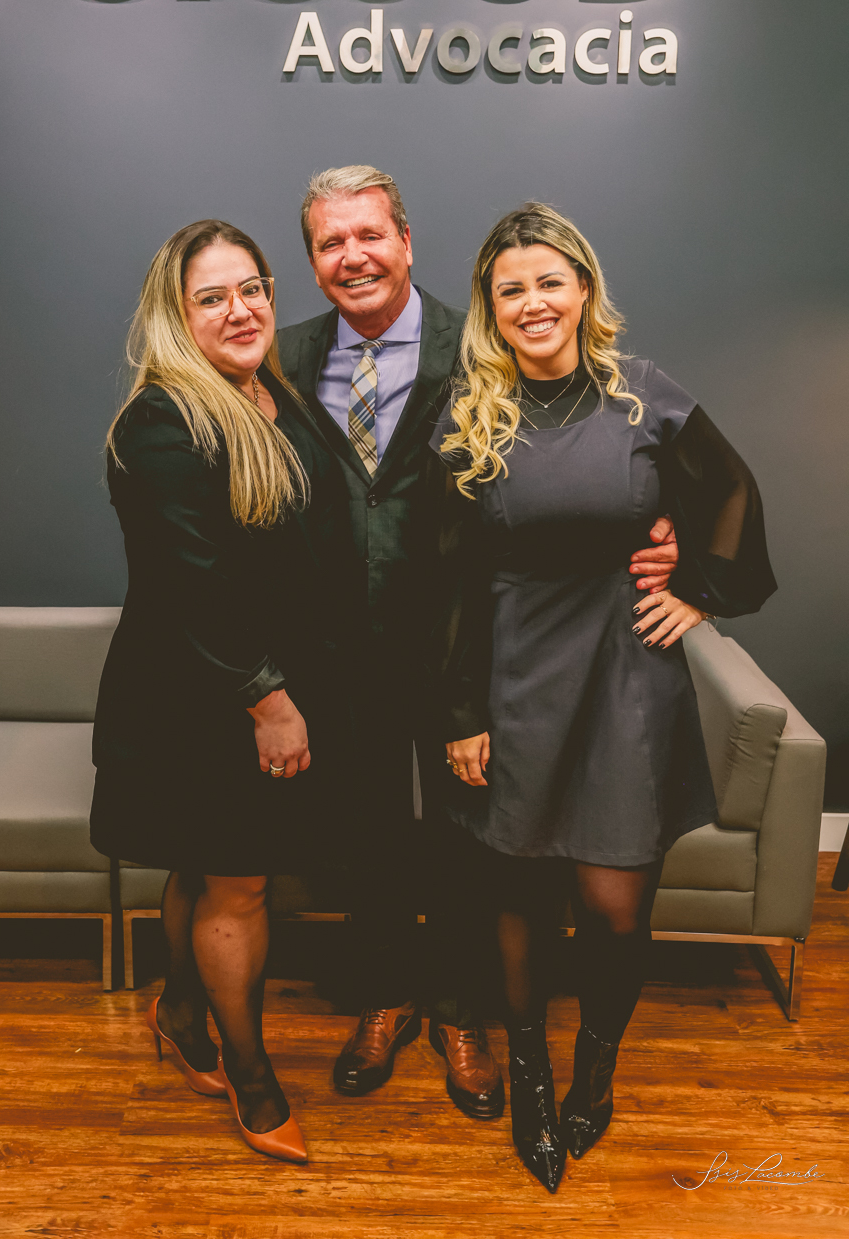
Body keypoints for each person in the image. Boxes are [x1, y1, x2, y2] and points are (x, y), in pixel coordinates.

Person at [278, 166, 681, 1116]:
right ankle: (385, 998)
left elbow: (586, 456)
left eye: (369, 235)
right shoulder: (284, 358)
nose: (353, 256)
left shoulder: (484, 345)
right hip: (340, 651)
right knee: (369, 836)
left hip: (473, 647)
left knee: (472, 845)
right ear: (313, 260)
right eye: (331, 243)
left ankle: (462, 1015)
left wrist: (672, 548)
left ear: (406, 240)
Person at [432, 202, 776, 1190]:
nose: (532, 302)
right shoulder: (469, 415)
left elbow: (733, 492)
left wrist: (696, 588)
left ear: (583, 289)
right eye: (511, 290)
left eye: (550, 281)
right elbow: (450, 583)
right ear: (491, 309)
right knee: (518, 896)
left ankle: (596, 1067)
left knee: (615, 907)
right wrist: (462, 713)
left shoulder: (644, 395)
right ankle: (530, 1073)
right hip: (516, 678)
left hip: (627, 675)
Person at [90, 219, 349, 1166]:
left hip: (257, 678)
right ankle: (252, 1074)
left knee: (201, 869)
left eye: (253, 288)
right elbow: (191, 583)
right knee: (238, 881)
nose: (240, 310)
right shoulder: (161, 423)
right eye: (212, 297)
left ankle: (178, 1014)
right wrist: (268, 701)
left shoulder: (271, 392)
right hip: (202, 697)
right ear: (176, 313)